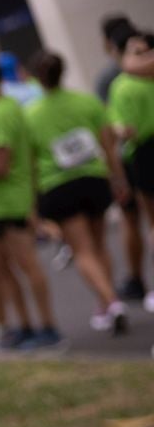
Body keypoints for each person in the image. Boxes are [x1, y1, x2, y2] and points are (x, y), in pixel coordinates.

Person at [26, 51, 131, 334]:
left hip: (58, 187)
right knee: (99, 246)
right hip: (94, 180)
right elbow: (108, 144)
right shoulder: (86, 101)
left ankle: (110, 301)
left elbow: (30, 162)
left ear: (37, 78)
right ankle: (106, 301)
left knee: (82, 250)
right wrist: (118, 178)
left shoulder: (32, 114)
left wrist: (32, 200)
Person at [0, 59, 62, 348]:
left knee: (27, 266)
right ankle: (25, 325)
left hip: (8, 203)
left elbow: (0, 164)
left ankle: (48, 326)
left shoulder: (3, 112)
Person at [98, 17, 149, 302]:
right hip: (137, 155)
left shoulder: (113, 80)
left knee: (136, 221)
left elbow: (110, 128)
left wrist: (114, 172)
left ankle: (137, 278)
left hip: (135, 156)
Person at [109, 30, 154, 316]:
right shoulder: (124, 83)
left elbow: (122, 128)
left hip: (145, 151)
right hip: (143, 155)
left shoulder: (123, 82)